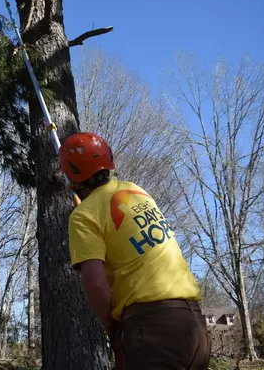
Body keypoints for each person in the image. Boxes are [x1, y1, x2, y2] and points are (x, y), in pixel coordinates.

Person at [59, 132, 211, 370]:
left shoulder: (83, 215)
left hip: (153, 331)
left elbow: (95, 282)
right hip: (194, 326)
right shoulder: (136, 191)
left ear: (71, 175)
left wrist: (110, 326)